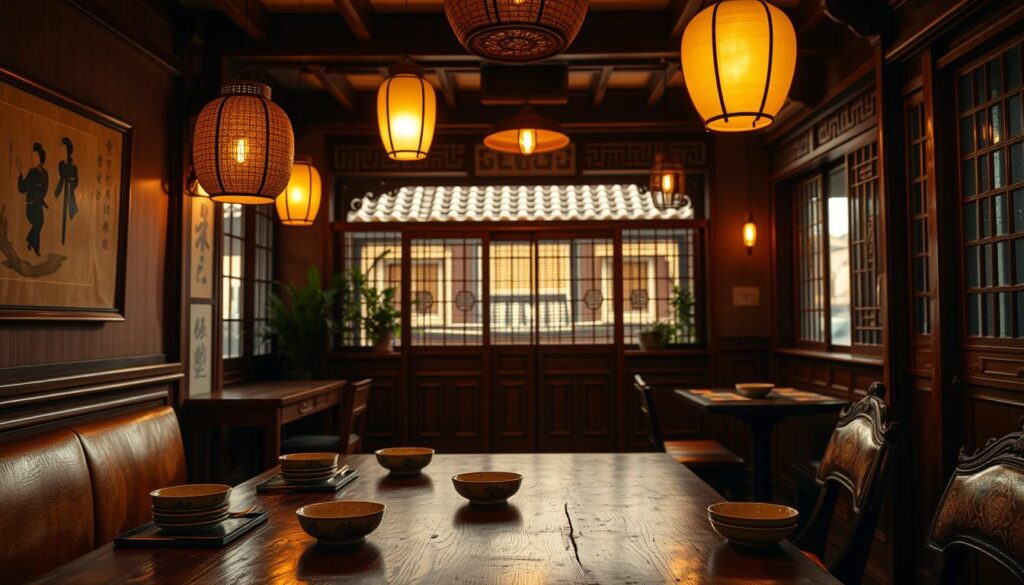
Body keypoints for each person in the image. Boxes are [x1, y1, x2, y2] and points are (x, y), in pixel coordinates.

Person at [16, 143, 48, 256]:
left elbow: (45, 189)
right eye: (33, 156)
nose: (33, 158)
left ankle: (33, 243)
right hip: (31, 204)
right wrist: (20, 175)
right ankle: (34, 245)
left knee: (40, 223)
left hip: (38, 203)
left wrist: (40, 195)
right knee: (38, 223)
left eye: (36, 156)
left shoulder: (45, 173)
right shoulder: (31, 172)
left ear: (40, 158)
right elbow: (22, 188)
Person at [54, 137, 78, 245]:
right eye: (61, 148)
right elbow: (62, 177)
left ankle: (65, 243)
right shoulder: (61, 164)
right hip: (62, 190)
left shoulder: (74, 167)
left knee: (69, 220)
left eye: (64, 149)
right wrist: (58, 192)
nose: (62, 151)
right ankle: (60, 243)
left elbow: (76, 181)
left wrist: (71, 181)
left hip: (69, 192)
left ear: (68, 150)